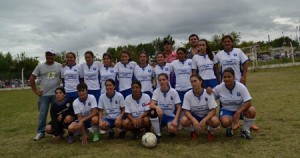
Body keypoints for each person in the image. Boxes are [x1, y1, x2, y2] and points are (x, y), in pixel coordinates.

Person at [216, 35, 258, 130]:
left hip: (239, 81)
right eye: (225, 42)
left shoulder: (238, 51)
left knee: (244, 102)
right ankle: (234, 122)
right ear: (222, 43)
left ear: (232, 42)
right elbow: (216, 67)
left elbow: (245, 63)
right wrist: (219, 80)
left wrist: (244, 76)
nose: (227, 43)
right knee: (226, 102)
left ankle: (250, 123)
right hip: (225, 82)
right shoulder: (219, 54)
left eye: (228, 41)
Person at [212, 68, 256, 140]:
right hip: (227, 110)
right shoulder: (219, 87)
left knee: (252, 110)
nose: (226, 79)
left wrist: (238, 112)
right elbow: (210, 97)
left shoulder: (241, 86)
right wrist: (208, 91)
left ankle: (245, 130)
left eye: (229, 77)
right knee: (225, 122)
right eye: (225, 77)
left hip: (240, 110)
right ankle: (229, 128)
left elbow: (248, 102)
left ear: (234, 77)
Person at [30, 48, 61, 141]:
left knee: (56, 114)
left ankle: (56, 132)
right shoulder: (40, 66)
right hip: (44, 95)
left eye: (51, 55)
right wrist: (35, 91)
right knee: (42, 114)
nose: (49, 56)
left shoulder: (59, 66)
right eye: (47, 55)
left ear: (54, 56)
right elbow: (32, 78)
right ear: (45, 56)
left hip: (56, 95)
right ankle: (40, 132)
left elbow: (64, 78)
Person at [180, 74, 220, 141]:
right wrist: (193, 119)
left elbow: (213, 110)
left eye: (195, 81)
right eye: (192, 82)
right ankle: (192, 131)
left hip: (206, 115)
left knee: (215, 121)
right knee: (183, 121)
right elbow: (186, 110)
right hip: (195, 115)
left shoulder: (208, 93)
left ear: (201, 81)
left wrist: (204, 120)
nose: (193, 83)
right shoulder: (187, 94)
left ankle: (211, 132)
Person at [149, 73, 182, 141]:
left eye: (163, 79)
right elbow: (151, 104)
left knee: (172, 129)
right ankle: (158, 134)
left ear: (167, 80)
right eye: (160, 80)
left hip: (170, 116)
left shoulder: (173, 92)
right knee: (152, 112)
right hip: (161, 115)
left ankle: (169, 128)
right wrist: (157, 107)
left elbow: (179, 107)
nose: (162, 82)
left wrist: (175, 120)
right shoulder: (156, 91)